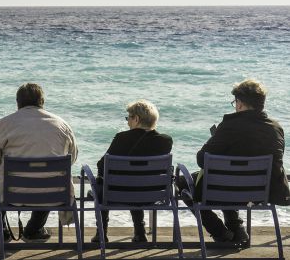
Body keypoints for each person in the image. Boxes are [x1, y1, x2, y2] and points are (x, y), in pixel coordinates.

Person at [184, 79, 290, 246]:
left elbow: (201, 159)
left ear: (240, 104)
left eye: (235, 102)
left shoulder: (228, 126)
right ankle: (237, 230)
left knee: (184, 182)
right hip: (262, 193)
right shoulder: (276, 128)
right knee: (232, 175)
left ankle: (220, 232)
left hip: (223, 190)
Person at [0, 82, 78, 242]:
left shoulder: (6, 124)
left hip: (13, 195)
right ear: (42, 102)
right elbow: (72, 158)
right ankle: (34, 229)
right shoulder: (62, 125)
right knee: (49, 175)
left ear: (18, 103)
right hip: (54, 194)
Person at [93, 100, 172, 243]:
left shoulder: (122, 138)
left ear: (136, 119)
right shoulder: (166, 141)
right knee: (138, 181)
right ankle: (140, 233)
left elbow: (102, 166)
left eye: (128, 118)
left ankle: (101, 234)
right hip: (152, 194)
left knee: (101, 186)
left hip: (119, 194)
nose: (128, 122)